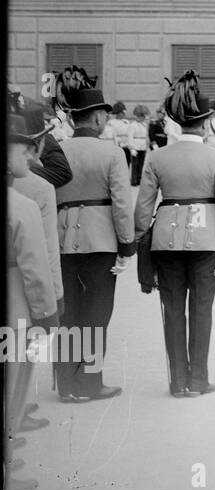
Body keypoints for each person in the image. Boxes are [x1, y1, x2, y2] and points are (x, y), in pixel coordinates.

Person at [134, 71, 215, 398]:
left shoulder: (157, 157)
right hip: (207, 242)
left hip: (166, 241)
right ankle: (199, 379)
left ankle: (177, 381)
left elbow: (144, 206)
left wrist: (139, 238)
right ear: (205, 125)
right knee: (202, 310)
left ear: (176, 123)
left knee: (172, 310)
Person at [53, 79, 135, 403]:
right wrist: (127, 246)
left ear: (74, 119)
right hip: (101, 241)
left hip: (62, 239)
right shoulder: (112, 152)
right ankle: (90, 382)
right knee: (97, 315)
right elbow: (121, 203)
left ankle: (67, 385)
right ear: (99, 118)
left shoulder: (55, 150)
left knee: (68, 313)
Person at [6, 178, 59, 490]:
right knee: (13, 384)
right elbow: (36, 265)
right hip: (15, 302)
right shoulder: (22, 203)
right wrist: (47, 313)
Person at [101, 102, 132, 169]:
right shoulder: (111, 122)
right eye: (122, 113)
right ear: (118, 113)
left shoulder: (126, 122)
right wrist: (119, 144)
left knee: (127, 164)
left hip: (127, 147)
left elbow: (130, 135)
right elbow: (113, 136)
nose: (123, 114)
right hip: (118, 147)